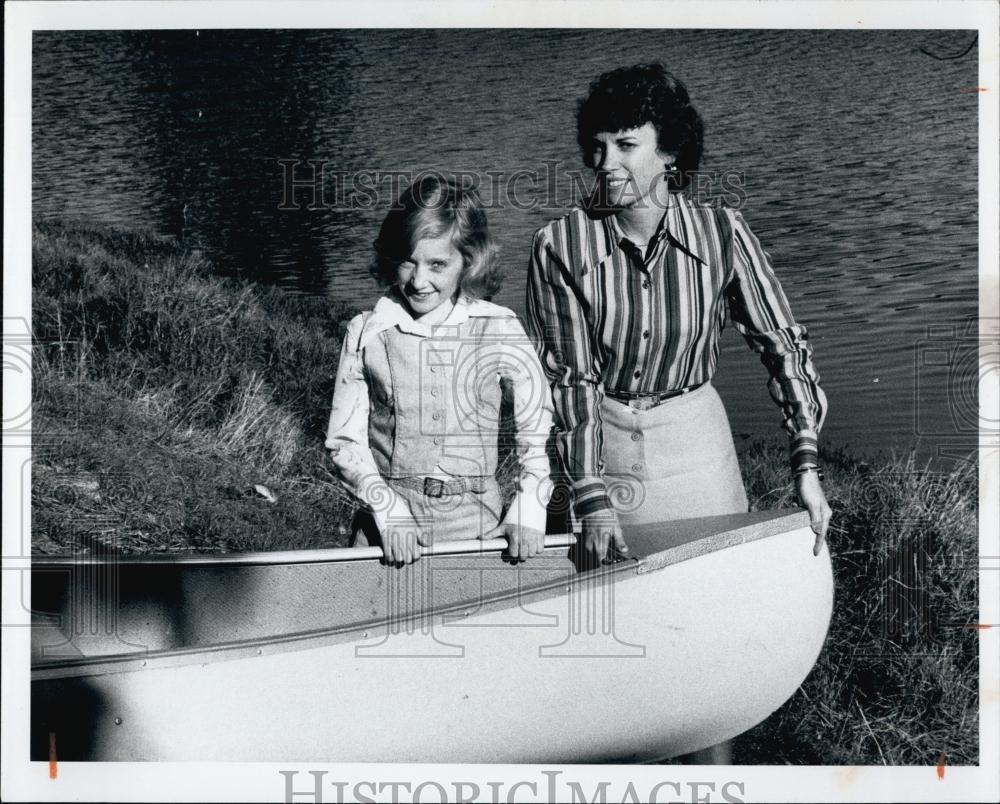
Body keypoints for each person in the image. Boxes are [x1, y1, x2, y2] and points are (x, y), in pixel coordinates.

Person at [525, 63, 832, 577]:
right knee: (617, 614)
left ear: (668, 152)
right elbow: (569, 380)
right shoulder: (559, 246)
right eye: (598, 148)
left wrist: (805, 462)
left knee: (720, 596)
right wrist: (590, 494)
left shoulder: (723, 233)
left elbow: (783, 347)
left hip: (699, 450)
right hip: (606, 454)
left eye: (626, 145)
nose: (605, 163)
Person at [326, 175, 553, 565]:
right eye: (407, 262)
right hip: (389, 532)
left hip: (480, 528)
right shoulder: (366, 332)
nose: (419, 281)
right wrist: (387, 509)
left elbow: (535, 424)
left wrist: (529, 507)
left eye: (437, 265)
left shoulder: (497, 327)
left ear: (469, 259)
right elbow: (345, 442)